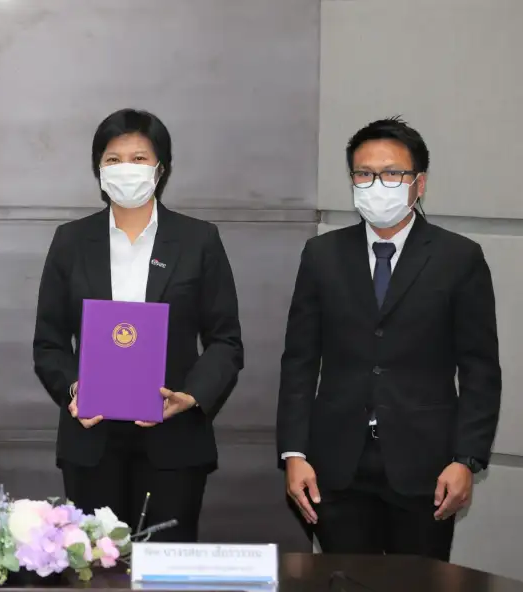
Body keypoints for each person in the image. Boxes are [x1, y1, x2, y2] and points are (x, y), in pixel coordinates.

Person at [277, 117, 502, 560]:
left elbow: (480, 369)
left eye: (392, 173)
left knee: (418, 584)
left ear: (419, 183)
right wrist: (294, 453)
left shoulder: (459, 258)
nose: (377, 185)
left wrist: (466, 459)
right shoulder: (322, 254)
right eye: (364, 174)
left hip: (427, 467)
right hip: (335, 465)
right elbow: (299, 360)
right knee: (342, 581)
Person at [32, 109, 244, 542]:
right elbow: (49, 342)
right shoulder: (71, 241)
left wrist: (190, 396)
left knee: (164, 565)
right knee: (95, 565)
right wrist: (74, 390)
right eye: (113, 159)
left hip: (174, 440)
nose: (126, 168)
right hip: (91, 439)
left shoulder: (198, 240)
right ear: (98, 169)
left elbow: (225, 340)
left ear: (160, 169)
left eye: (139, 158)